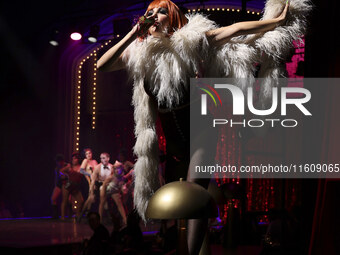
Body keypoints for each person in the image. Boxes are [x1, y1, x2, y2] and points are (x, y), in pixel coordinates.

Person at [97, 0, 311, 253]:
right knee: (177, 200)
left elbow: (237, 29)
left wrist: (274, 22)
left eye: (161, 11)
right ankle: (194, 248)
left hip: (201, 129)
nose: (153, 15)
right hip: (172, 134)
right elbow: (103, 65)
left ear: (174, 18)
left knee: (193, 192)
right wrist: (134, 33)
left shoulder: (193, 42)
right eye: (149, 12)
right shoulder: (140, 52)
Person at [60, 152, 84, 220]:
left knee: (80, 200)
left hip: (75, 186)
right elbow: (61, 171)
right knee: (65, 200)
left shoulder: (81, 167)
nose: (74, 160)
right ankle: (62, 217)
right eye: (73, 159)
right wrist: (66, 175)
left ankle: (77, 215)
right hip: (68, 184)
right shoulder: (69, 166)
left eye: (75, 159)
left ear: (78, 159)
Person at [51, 154, 69, 219]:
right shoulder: (57, 168)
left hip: (66, 183)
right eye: (57, 162)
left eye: (59, 162)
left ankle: (67, 215)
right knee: (53, 198)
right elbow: (56, 179)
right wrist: (56, 186)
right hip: (59, 183)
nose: (58, 163)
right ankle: (55, 215)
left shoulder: (67, 165)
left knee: (66, 200)